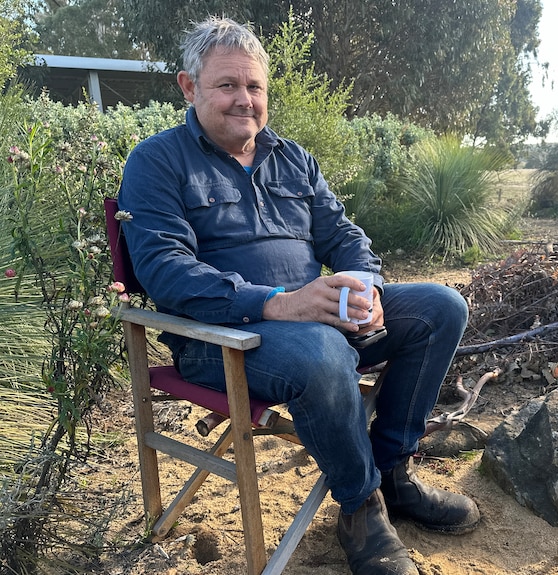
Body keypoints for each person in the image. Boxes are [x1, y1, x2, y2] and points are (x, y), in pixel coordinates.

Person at [118, 16, 479, 575]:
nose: (245, 100)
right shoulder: (156, 162)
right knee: (321, 352)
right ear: (189, 88)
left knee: (440, 306)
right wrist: (280, 301)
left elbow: (344, 236)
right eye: (227, 86)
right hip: (222, 341)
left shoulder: (293, 159)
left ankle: (392, 473)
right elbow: (166, 272)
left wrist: (367, 287)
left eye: (254, 86)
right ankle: (360, 507)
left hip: (318, 322)